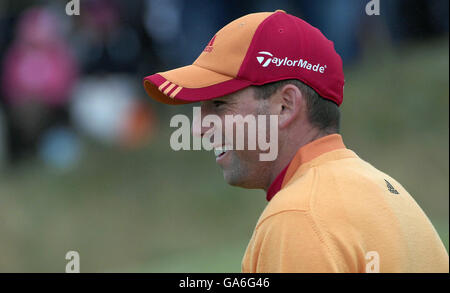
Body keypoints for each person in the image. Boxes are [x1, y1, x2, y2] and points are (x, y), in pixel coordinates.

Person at [142, 10, 449, 273]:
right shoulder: (388, 193)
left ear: (285, 106)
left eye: (220, 105)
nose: (199, 128)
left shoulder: (298, 218)